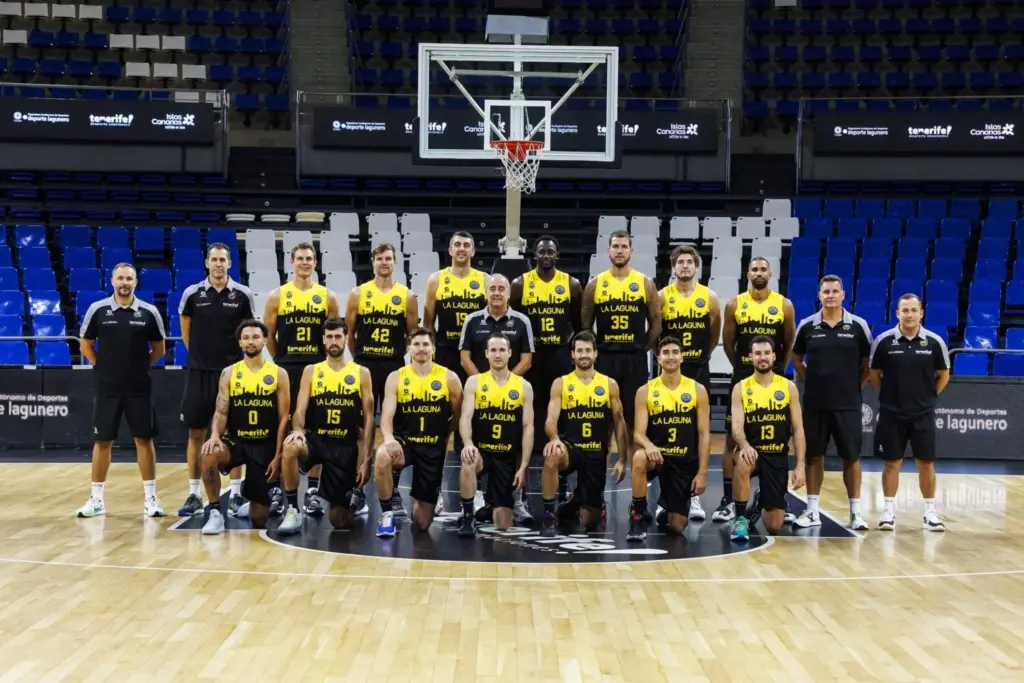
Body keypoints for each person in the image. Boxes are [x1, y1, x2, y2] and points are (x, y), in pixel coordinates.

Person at [76, 263, 166, 518]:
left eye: (129, 278)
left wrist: (139, 367)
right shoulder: (98, 310)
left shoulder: (149, 312)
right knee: (102, 440)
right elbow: (86, 345)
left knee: (144, 440)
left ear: (136, 282)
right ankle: (96, 500)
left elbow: (159, 349)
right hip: (108, 388)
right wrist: (103, 367)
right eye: (120, 278)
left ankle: (150, 499)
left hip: (140, 388)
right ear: (112, 281)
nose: (124, 282)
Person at [176, 243, 256, 517]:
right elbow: (186, 331)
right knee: (195, 433)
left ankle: (235, 494)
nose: (219, 264)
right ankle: (194, 493)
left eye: (223, 259)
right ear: (207, 263)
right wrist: (199, 357)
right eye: (214, 259)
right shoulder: (192, 294)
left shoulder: (243, 295)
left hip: (233, 376)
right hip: (199, 373)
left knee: (233, 435)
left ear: (230, 264)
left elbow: (249, 333)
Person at [263, 242, 341, 517]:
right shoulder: (277, 296)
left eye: (309, 259)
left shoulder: (327, 297)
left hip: (318, 369)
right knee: (283, 425)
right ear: (291, 262)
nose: (305, 263)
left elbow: (334, 334)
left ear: (316, 263)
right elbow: (268, 336)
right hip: (286, 368)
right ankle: (279, 489)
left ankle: (312, 491)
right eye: (300, 259)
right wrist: (282, 360)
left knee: (315, 428)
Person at [717, 257, 796, 523]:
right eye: (754, 269)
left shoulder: (784, 304)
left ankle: (771, 493)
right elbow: (728, 343)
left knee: (776, 435)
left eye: (763, 269)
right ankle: (729, 500)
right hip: (742, 375)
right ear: (747, 273)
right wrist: (743, 367)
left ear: (770, 273)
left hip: (772, 376)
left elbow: (788, 340)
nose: (759, 273)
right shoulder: (734, 305)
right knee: (732, 439)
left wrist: (775, 367)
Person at [791, 275, 873, 530]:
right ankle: (813, 510)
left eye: (835, 291)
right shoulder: (807, 326)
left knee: (852, 458)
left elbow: (867, 365)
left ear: (843, 295)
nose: (830, 295)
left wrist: (852, 387)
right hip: (815, 404)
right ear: (819, 295)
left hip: (848, 405)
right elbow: (796, 358)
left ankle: (856, 513)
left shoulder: (858, 326)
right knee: (815, 457)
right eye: (826, 291)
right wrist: (810, 381)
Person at [199, 320, 295, 535]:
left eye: (255, 337)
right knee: (208, 452)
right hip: (237, 441)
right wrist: (215, 435)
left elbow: (283, 419)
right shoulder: (230, 373)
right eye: (246, 338)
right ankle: (215, 512)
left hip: (265, 444)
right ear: (240, 343)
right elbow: (221, 410)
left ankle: (251, 498)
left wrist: (278, 455)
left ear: (265, 340)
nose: (251, 342)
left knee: (258, 518)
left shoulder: (279, 374)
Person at [344, 242, 419, 515]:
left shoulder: (407, 296)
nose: (384, 263)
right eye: (379, 259)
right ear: (373, 262)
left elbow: (412, 337)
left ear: (395, 262)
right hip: (364, 365)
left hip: (394, 366)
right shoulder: (358, 293)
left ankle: (394, 491)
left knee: (395, 430)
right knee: (362, 428)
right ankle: (357, 488)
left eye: (388, 258)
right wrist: (360, 359)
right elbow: (349, 334)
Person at [281, 319, 375, 530]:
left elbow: (369, 420)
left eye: (338, 336)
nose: (334, 341)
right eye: (330, 337)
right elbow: (300, 409)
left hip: (345, 445)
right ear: (323, 340)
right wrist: (296, 429)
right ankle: (293, 509)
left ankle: (355, 499)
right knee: (290, 446)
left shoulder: (361, 373)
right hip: (317, 439)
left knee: (338, 521)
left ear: (346, 339)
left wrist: (367, 459)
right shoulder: (312, 371)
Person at [868, 293, 950, 532]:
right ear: (897, 313)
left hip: (922, 414)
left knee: (926, 463)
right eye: (905, 310)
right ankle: (889, 512)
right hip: (892, 414)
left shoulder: (934, 342)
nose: (909, 314)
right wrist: (888, 396)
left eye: (914, 310)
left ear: (921, 313)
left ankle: (930, 512)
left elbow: (943, 374)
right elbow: (874, 373)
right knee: (892, 463)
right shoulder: (884, 342)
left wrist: (929, 396)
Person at [459, 273, 536, 525]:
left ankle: (516, 498)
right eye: (492, 288)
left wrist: (504, 383)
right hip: (482, 391)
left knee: (512, 434)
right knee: (472, 450)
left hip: (509, 391)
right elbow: (465, 358)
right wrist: (487, 382)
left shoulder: (521, 320)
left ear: (509, 293)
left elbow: (527, 359)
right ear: (486, 292)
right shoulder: (472, 320)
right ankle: (473, 506)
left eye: (502, 288)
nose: (497, 292)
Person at [373, 327, 463, 537]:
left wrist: (445, 436)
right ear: (408, 348)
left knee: (422, 522)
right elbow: (386, 415)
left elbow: (459, 416)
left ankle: (426, 496)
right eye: (416, 344)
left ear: (433, 348)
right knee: (382, 456)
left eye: (425, 344)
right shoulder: (396, 377)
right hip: (406, 444)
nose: (421, 349)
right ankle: (387, 515)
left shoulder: (449, 378)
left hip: (432, 448)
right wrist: (387, 438)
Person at [581, 230, 660, 463]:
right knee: (602, 420)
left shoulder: (645, 283)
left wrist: (641, 348)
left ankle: (637, 485)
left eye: (624, 246)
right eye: (615, 246)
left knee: (636, 419)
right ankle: (598, 480)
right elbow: (586, 328)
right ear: (608, 251)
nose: (619, 250)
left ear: (631, 251)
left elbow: (656, 323)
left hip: (634, 359)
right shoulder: (595, 284)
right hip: (605, 358)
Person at [539, 331, 629, 536]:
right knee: (551, 455)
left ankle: (575, 500)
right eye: (579, 350)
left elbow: (619, 423)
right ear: (572, 354)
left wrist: (622, 459)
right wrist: (554, 439)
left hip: (597, 451)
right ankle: (548, 515)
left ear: (596, 354)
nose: (584, 354)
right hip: (571, 447)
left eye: (588, 350)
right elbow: (550, 420)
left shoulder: (609, 384)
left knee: (591, 521)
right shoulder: (561, 383)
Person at [657, 244, 721, 522]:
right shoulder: (661, 297)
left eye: (689, 262)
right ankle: (664, 499)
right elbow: (656, 336)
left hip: (697, 370)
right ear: (674, 267)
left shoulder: (709, 297)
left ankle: (693, 498)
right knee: (664, 431)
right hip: (668, 373)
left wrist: (701, 355)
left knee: (694, 433)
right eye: (680, 262)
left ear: (696, 267)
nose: (684, 266)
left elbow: (714, 333)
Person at [628, 336, 711, 541]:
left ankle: (667, 504)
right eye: (665, 353)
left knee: (676, 526)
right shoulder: (645, 391)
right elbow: (638, 433)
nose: (671, 357)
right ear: (658, 358)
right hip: (658, 457)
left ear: (682, 357)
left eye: (675, 352)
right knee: (639, 457)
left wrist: (702, 473)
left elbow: (704, 434)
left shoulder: (697, 390)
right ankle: (637, 515)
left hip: (684, 461)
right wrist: (648, 446)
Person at [729, 336, 806, 542]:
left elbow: (798, 429)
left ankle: (759, 502)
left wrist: (800, 465)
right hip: (753, 451)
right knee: (743, 463)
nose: (762, 358)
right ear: (750, 357)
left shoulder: (788, 387)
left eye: (766, 353)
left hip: (777, 454)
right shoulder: (741, 387)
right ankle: (740, 519)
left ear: (773, 356)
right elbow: (736, 427)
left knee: (774, 526)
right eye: (757, 354)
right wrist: (744, 445)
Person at [510, 235, 582, 454]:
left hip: (560, 351)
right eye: (542, 251)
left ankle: (561, 445)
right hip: (533, 353)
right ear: (535, 255)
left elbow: (579, 324)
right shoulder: (520, 284)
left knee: (561, 401)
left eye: (550, 252)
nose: (546, 256)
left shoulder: (571, 284)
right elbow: (514, 322)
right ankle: (532, 448)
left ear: (557, 255)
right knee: (533, 402)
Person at [457, 334, 534, 536]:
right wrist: (467, 443)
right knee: (468, 461)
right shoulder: (474, 382)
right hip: (482, 452)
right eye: (493, 350)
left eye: (502, 350)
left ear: (510, 353)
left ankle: (492, 504)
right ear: (486, 354)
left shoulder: (523, 386)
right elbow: (465, 418)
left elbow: (528, 427)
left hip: (506, 457)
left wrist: (524, 466)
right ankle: (467, 516)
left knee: (502, 524)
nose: (497, 354)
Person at [423, 231, 487, 385]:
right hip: (446, 349)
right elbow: (428, 323)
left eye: (466, 245)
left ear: (473, 251)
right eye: (457, 245)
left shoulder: (485, 280)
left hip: (476, 350)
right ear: (450, 250)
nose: (462, 248)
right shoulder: (436, 280)